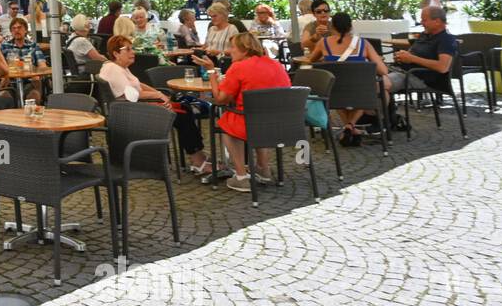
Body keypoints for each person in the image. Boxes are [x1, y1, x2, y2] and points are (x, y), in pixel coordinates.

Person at [99, 35, 209, 174]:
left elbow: (138, 84)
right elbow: (131, 95)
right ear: (116, 53)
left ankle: (198, 156)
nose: (133, 52)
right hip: (133, 113)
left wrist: (158, 93)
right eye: (127, 49)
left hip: (136, 108)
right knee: (184, 115)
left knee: (184, 108)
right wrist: (158, 95)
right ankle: (198, 160)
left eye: (132, 49)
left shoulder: (119, 67)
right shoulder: (113, 69)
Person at [207, 32, 291, 193]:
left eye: (232, 47)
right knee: (257, 114)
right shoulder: (276, 64)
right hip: (282, 124)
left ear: (244, 50)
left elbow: (220, 99)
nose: (229, 51)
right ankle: (263, 168)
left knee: (227, 122)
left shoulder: (238, 67)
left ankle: (241, 176)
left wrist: (211, 74)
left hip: (253, 124)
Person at [308, 11, 391, 145]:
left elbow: (311, 61)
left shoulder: (324, 43)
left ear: (332, 27)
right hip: (360, 95)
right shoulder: (363, 44)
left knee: (337, 87)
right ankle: (351, 125)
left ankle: (348, 126)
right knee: (373, 89)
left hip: (334, 95)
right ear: (351, 26)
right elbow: (383, 70)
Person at [390, 5, 458, 96]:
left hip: (416, 77)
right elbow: (411, 51)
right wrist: (403, 56)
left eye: (424, 20)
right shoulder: (425, 35)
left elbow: (443, 67)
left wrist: (411, 58)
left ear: (437, 21)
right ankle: (387, 109)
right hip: (399, 70)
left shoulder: (446, 39)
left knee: (375, 85)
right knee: (369, 79)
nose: (421, 23)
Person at [0, 17, 46, 102]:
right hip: (10, 82)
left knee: (34, 96)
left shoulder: (33, 46)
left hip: (30, 81)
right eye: (14, 28)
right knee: (4, 97)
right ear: (11, 32)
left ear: (25, 30)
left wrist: (36, 74)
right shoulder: (4, 46)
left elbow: (42, 65)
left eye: (19, 27)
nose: (16, 30)